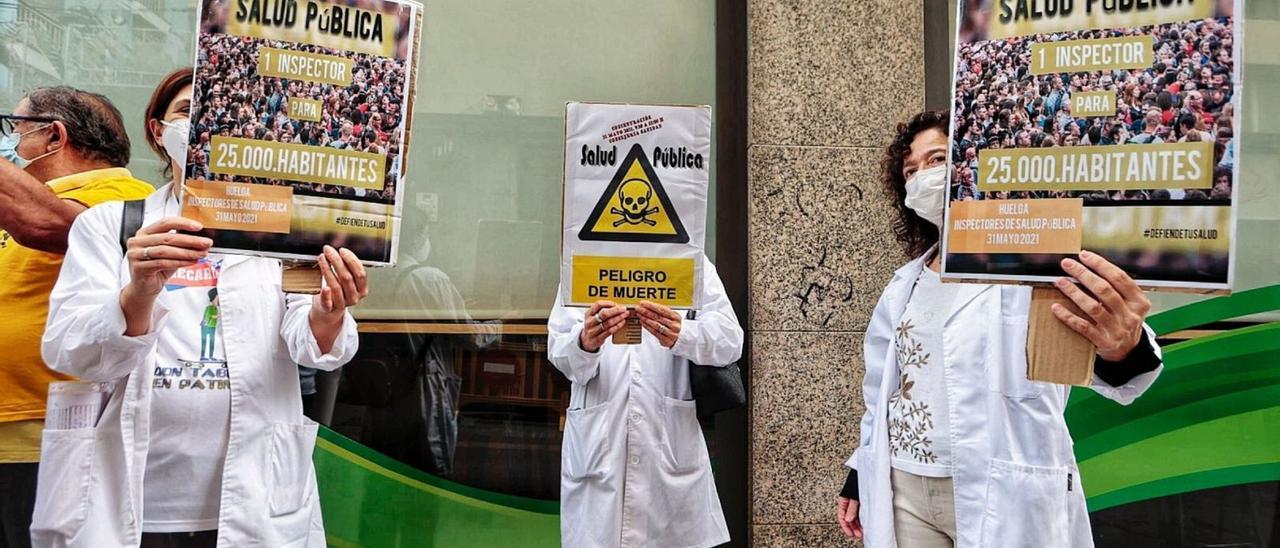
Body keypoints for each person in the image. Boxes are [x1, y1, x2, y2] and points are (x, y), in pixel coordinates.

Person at [35, 68, 367, 547]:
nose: (206, 124)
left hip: (255, 498)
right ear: (157, 130)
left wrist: (330, 311)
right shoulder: (110, 227)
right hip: (131, 499)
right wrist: (139, 291)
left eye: (220, 113)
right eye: (190, 112)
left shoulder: (287, 231)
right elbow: (71, 353)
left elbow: (313, 345)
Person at [835, 111, 1162, 548]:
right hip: (903, 487)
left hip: (1002, 485)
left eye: (937, 160)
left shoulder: (1036, 264)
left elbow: (1110, 359)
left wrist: (1125, 346)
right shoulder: (906, 283)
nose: (922, 177)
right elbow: (880, 390)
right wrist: (860, 471)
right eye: (911, 171)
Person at [0, 87, 153, 547]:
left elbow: (48, 224)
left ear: (53, 136)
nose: (12, 145)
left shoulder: (122, 198)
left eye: (16, 130)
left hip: (45, 437)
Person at [547, 257, 743, 548]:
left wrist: (684, 334)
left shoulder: (689, 261)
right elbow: (559, 351)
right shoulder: (585, 260)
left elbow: (730, 341)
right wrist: (584, 341)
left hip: (667, 450)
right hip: (599, 450)